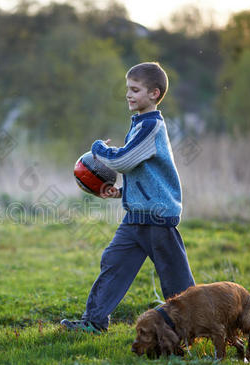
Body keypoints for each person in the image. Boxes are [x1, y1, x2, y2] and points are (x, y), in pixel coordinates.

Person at [61, 62, 196, 334]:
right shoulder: (139, 125)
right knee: (113, 262)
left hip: (157, 218)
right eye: (127, 89)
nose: (128, 95)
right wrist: (121, 192)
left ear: (154, 94)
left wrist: (98, 148)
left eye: (135, 90)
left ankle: (196, 326)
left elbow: (123, 160)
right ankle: (93, 322)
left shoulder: (152, 126)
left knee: (177, 282)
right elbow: (141, 172)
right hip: (136, 217)